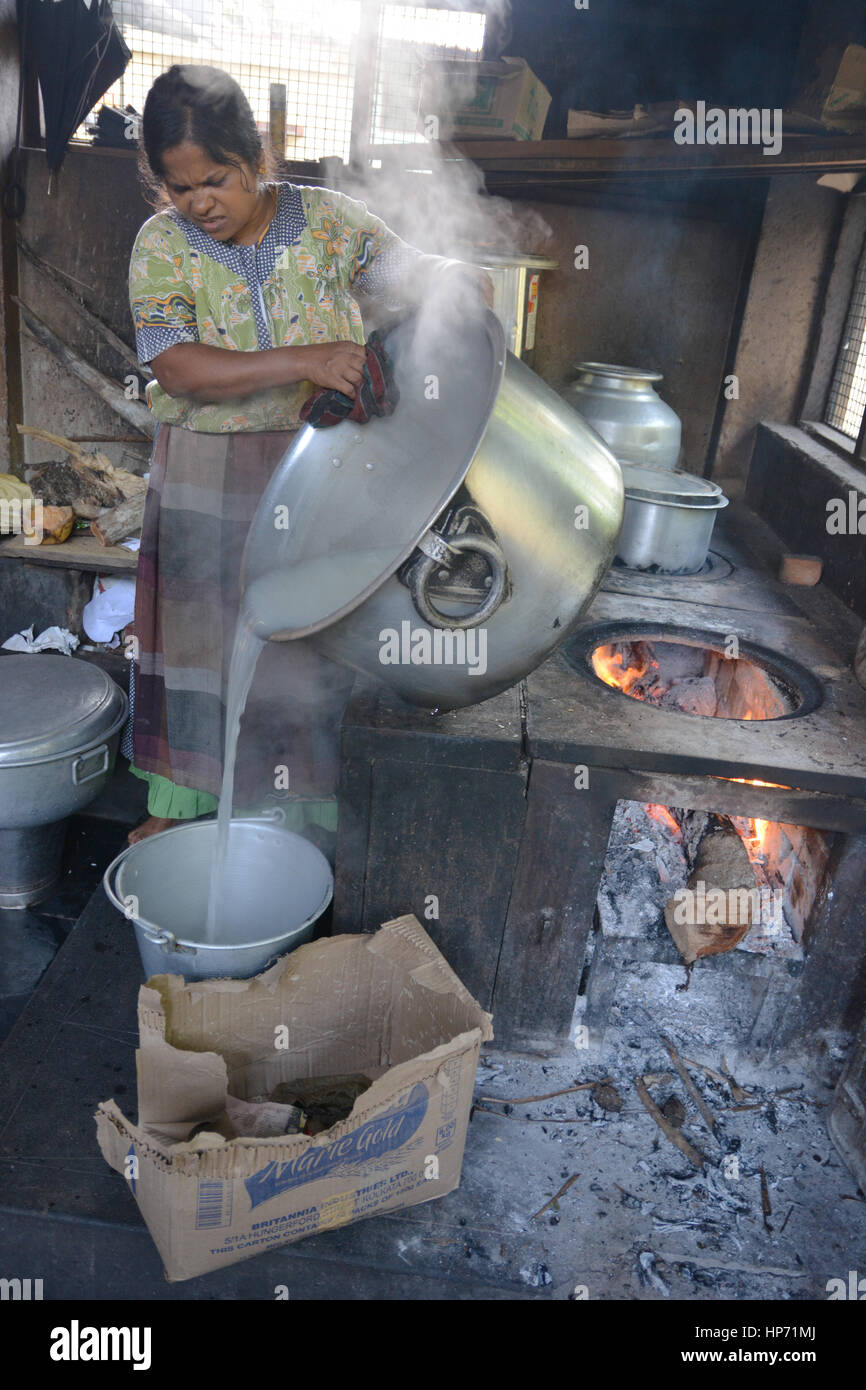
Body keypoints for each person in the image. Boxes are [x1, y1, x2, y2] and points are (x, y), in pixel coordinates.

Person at [124, 64, 491, 844]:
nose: (200, 204)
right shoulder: (161, 246)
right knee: (201, 646)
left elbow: (415, 274)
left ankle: (297, 814)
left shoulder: (328, 223)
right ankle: (185, 806)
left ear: (257, 155)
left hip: (321, 473)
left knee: (308, 645)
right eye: (178, 187)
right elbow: (176, 366)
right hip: (205, 475)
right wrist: (304, 358)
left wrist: (458, 276)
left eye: (215, 179)